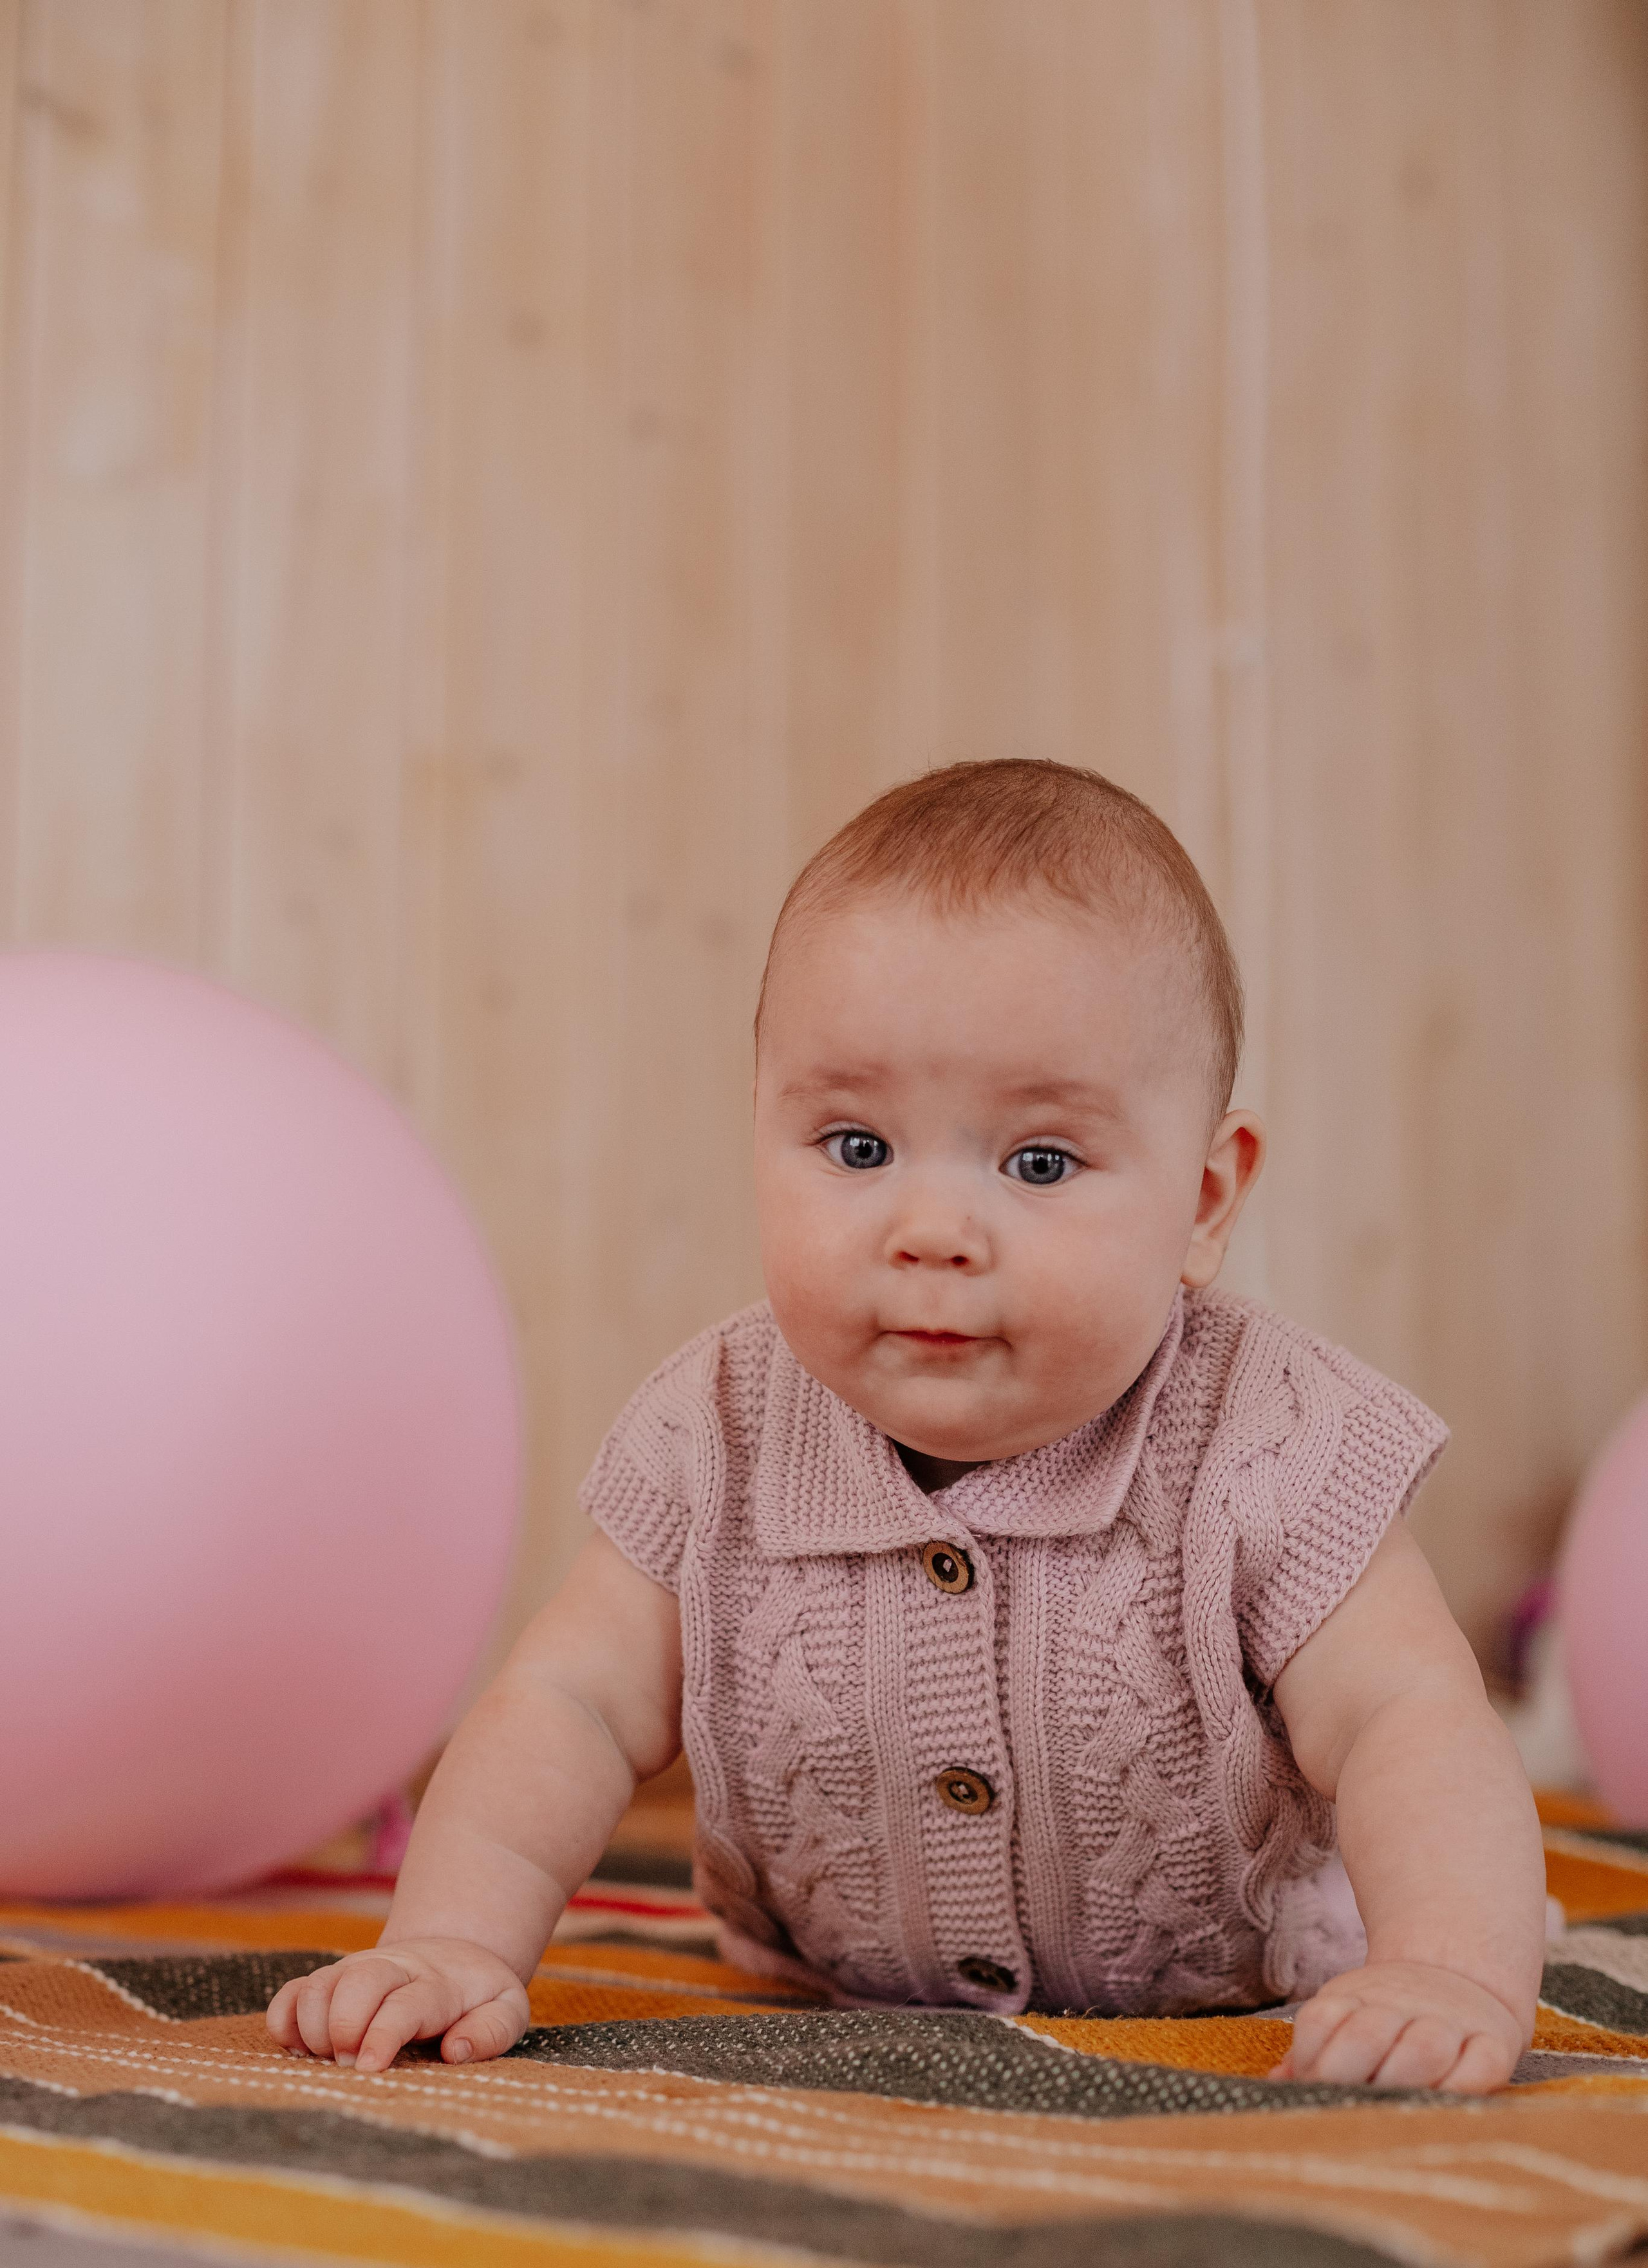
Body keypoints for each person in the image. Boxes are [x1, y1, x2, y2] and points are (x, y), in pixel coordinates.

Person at [267, 759, 1545, 2091]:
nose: (929, 1234)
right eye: (856, 1148)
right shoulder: (714, 1430)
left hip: (1239, 1970)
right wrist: (450, 1943)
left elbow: (1410, 1717)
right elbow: (567, 1707)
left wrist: (1446, 1966)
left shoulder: (1268, 1441)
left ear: (1205, 1199)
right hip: (831, 1978)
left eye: (1037, 1164)